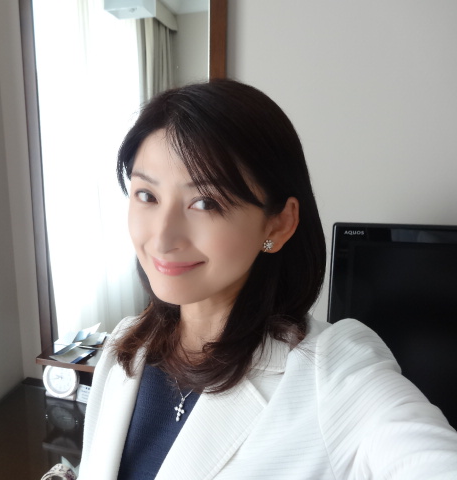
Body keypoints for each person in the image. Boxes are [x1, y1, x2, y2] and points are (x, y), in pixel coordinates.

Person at [77, 80, 457, 479]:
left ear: (278, 224)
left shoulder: (330, 370)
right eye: (147, 196)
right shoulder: (126, 345)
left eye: (204, 202)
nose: (162, 238)